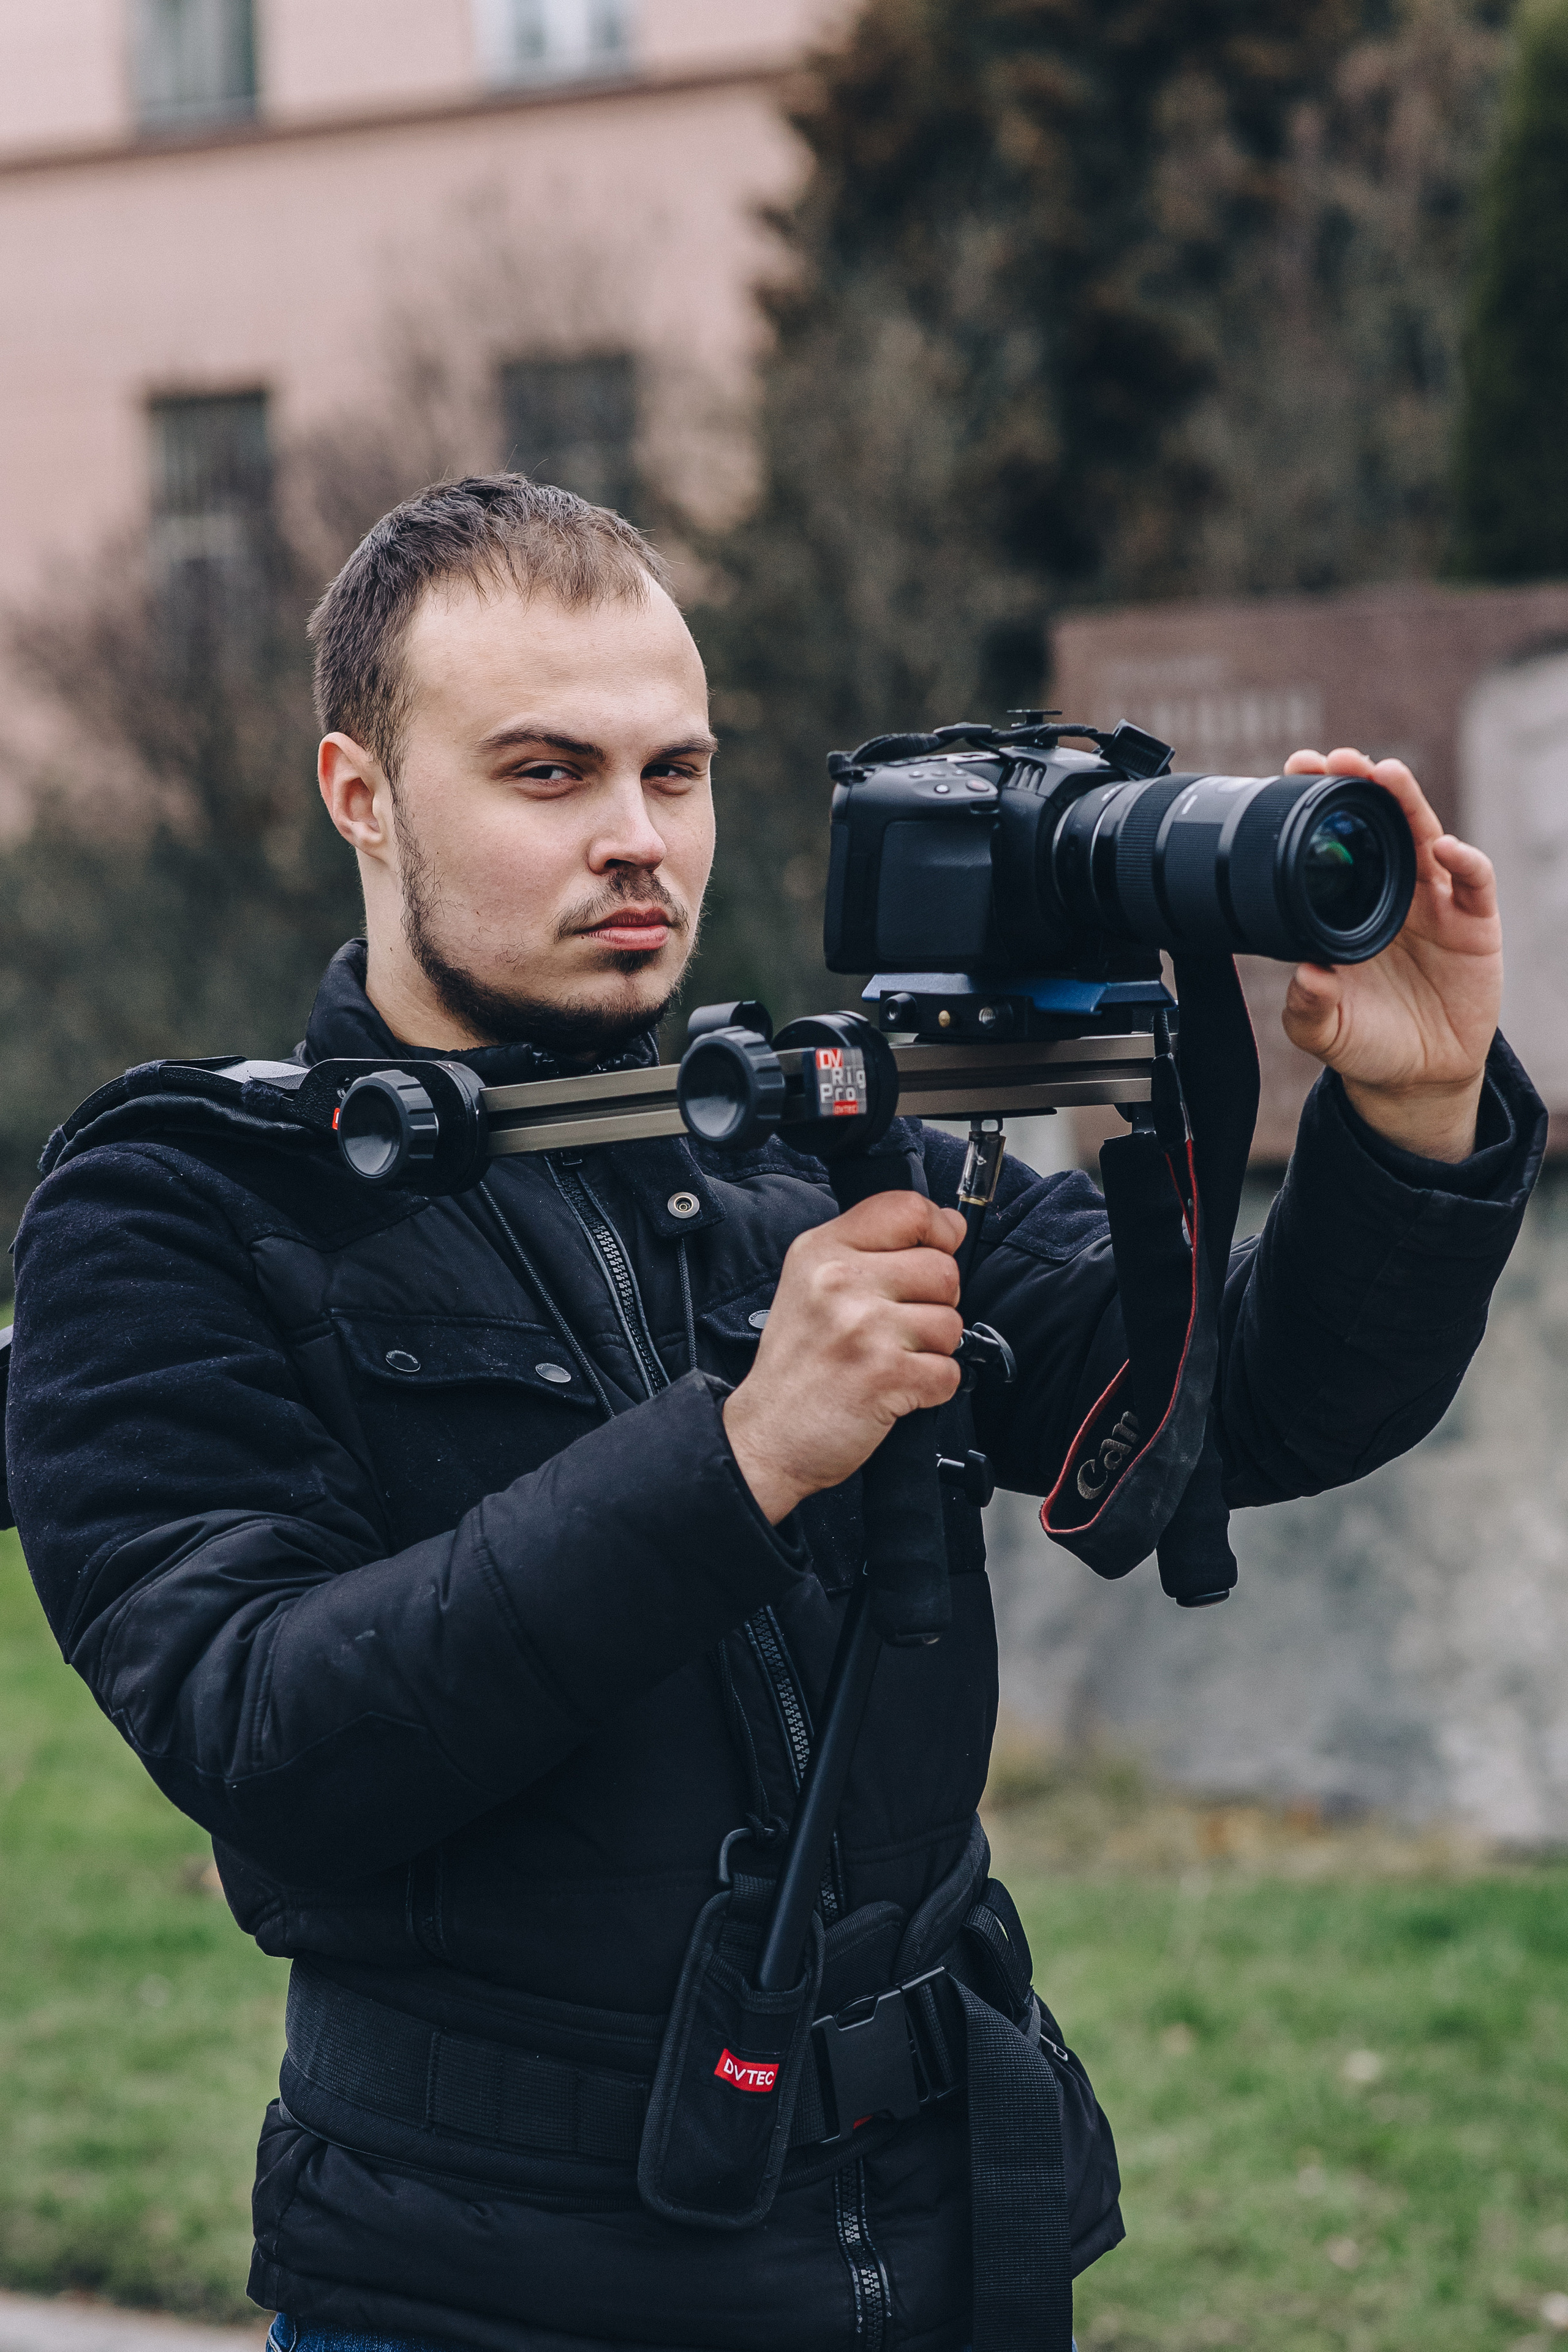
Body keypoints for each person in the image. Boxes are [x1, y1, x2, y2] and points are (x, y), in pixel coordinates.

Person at [8, 475, 1542, 2352]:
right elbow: (266, 1732)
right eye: (549, 775)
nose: (637, 841)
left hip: (959, 2228)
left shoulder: (820, 1145)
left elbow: (1245, 1415)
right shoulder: (183, 1206)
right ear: (360, 791)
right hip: (502, 2283)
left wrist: (1418, 1118)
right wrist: (742, 1454)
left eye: (679, 771)